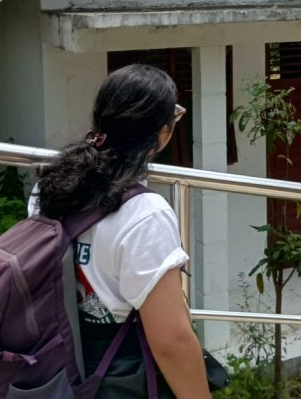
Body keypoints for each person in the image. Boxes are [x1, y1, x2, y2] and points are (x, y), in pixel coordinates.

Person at [32, 63, 212, 398]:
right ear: (162, 134)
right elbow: (171, 341)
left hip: (59, 363)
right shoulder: (146, 215)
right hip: (116, 377)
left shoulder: (52, 185)